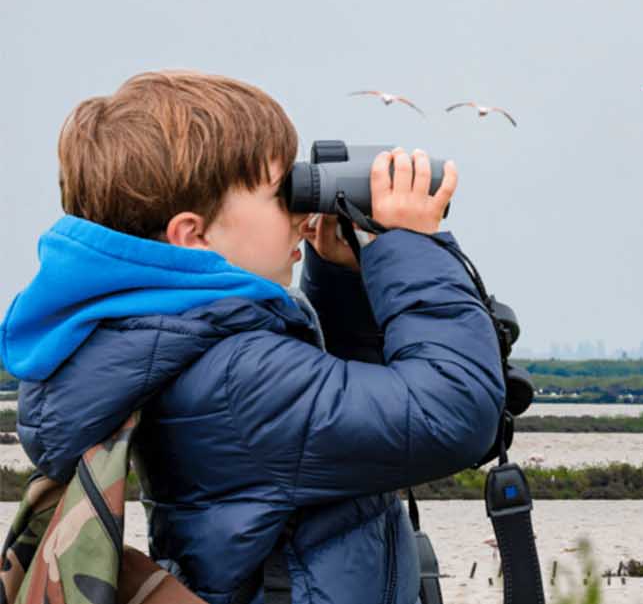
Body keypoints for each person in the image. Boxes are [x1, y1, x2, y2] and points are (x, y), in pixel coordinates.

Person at [0, 70, 504, 604]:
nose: (303, 210)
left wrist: (344, 281)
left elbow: (349, 416)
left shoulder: (174, 346)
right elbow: (453, 412)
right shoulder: (240, 375)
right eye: (278, 193)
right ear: (193, 236)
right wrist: (409, 247)